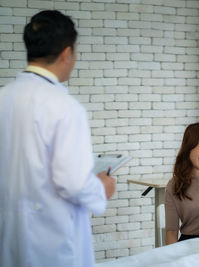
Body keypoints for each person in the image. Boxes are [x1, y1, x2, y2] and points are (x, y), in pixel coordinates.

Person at [0, 10, 115, 267]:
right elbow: (73, 183)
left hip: (9, 236)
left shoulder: (3, 99)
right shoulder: (64, 107)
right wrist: (101, 188)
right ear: (66, 53)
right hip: (51, 242)